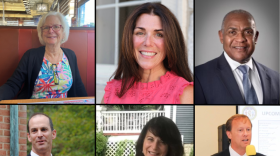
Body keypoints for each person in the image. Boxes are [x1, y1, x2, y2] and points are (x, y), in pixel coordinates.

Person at [101, 3, 193, 104]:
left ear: (171, 41)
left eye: (159, 34)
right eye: (140, 33)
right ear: (129, 39)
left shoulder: (185, 92)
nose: (148, 43)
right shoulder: (111, 91)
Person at [195, 9, 279, 104]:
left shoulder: (276, 78)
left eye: (248, 32)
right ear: (221, 36)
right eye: (232, 32)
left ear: (256, 37)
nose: (240, 39)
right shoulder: (199, 76)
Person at [0, 11, 87, 100]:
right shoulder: (30, 55)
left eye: (56, 27)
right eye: (46, 27)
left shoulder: (70, 55)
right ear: (41, 33)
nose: (50, 31)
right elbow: (13, 84)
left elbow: (78, 85)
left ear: (64, 32)